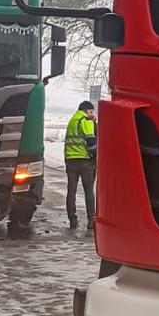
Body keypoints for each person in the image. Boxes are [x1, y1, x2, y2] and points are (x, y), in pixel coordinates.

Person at [64, 99, 96, 230]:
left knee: (71, 191)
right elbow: (91, 142)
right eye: (90, 111)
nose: (92, 114)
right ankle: (91, 219)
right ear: (84, 111)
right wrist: (95, 155)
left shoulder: (72, 121)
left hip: (70, 160)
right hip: (84, 161)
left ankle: (72, 219)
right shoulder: (85, 121)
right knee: (88, 191)